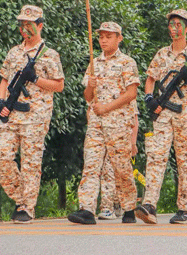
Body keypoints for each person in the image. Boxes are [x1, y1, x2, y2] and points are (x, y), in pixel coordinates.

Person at [0, 5, 65, 224]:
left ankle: (26, 207)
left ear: (39, 25)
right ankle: (22, 198)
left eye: (29, 24)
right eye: (21, 24)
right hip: (11, 113)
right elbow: (4, 79)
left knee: (31, 162)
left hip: (36, 115)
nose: (24, 29)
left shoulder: (50, 55)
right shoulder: (14, 52)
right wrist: (1, 101)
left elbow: (59, 85)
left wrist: (36, 79)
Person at [136, 9, 187, 225]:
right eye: (171, 24)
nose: (174, 28)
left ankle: (184, 208)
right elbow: (151, 79)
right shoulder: (161, 54)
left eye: (179, 24)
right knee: (156, 155)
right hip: (164, 112)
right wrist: (149, 98)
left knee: (185, 160)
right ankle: (149, 205)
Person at [68, 22, 140, 225]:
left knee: (121, 167)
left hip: (118, 124)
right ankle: (87, 209)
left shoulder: (127, 62)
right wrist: (90, 86)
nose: (104, 40)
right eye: (101, 36)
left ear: (119, 38)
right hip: (96, 124)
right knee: (91, 165)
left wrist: (107, 108)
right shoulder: (94, 63)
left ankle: (128, 208)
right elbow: (87, 96)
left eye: (109, 36)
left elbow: (132, 93)